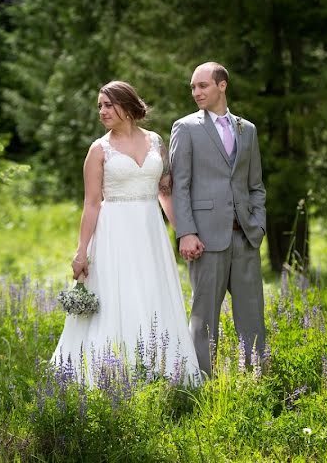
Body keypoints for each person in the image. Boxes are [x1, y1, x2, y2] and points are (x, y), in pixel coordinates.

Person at [51, 81, 201, 385]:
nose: (102, 111)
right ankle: (112, 374)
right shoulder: (98, 149)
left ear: (127, 106)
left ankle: (160, 371)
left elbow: (165, 193)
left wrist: (185, 232)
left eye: (108, 105)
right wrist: (81, 250)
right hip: (114, 233)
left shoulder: (156, 141)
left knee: (152, 293)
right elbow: (91, 204)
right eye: (100, 106)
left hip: (150, 231)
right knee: (117, 297)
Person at [169, 62, 267, 376]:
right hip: (205, 239)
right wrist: (185, 232)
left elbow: (256, 186)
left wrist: (259, 225)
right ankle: (203, 383)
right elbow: (179, 186)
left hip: (245, 236)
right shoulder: (186, 128)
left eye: (203, 86)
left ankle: (256, 381)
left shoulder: (247, 129)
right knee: (204, 318)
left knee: (252, 315)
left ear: (222, 85)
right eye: (193, 88)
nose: (196, 92)